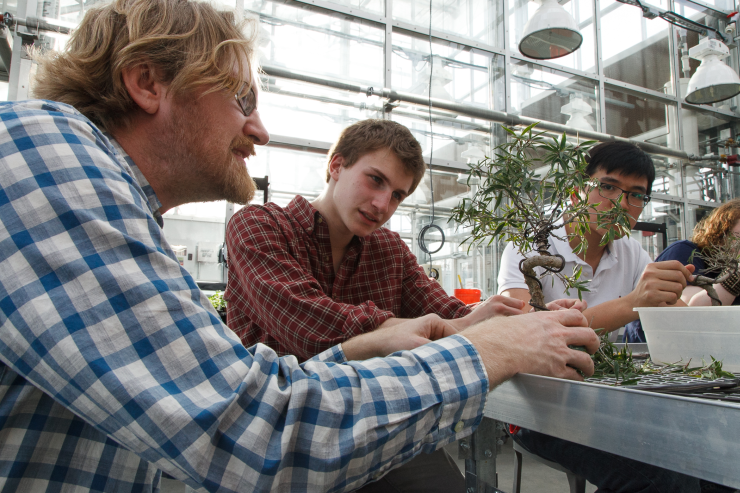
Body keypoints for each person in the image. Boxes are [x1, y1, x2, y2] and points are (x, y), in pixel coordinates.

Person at [0, 1, 600, 492]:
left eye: (398, 194)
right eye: (242, 99)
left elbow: (430, 315)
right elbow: (262, 415)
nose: (259, 129)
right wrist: (480, 348)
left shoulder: (105, 197)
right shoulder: (47, 156)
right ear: (148, 81)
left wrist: (477, 323)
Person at [225, 118, 574, 492]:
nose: (382, 204)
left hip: (371, 421)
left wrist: (523, 322)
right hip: (277, 436)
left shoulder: (389, 250)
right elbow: (309, 326)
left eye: (397, 195)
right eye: (375, 179)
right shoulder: (258, 226)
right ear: (337, 165)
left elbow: (447, 314)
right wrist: (422, 327)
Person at [498, 140, 695, 334]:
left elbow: (684, 322)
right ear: (575, 193)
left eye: (636, 195)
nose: (622, 205)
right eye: (608, 187)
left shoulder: (631, 252)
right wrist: (632, 303)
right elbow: (522, 332)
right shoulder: (526, 249)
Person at [625, 198, 740, 342]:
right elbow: (691, 310)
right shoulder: (685, 252)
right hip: (650, 349)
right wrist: (735, 277)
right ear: (722, 231)